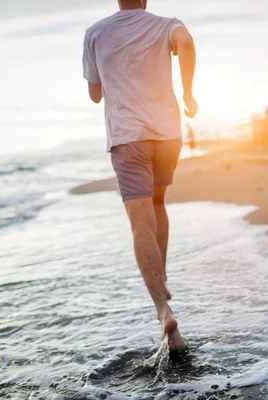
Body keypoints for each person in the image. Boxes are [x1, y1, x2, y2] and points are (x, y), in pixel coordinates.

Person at [83, 0, 198, 353]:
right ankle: (160, 282)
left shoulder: (95, 33)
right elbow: (187, 42)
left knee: (139, 222)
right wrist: (188, 91)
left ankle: (163, 309)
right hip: (167, 134)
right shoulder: (167, 24)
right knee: (159, 202)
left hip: (127, 137)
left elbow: (94, 93)